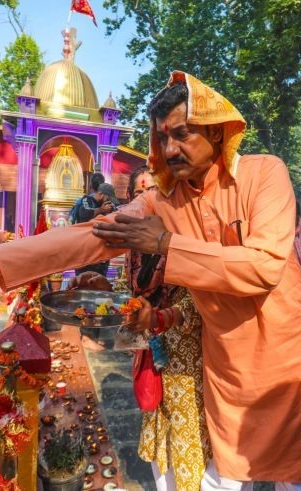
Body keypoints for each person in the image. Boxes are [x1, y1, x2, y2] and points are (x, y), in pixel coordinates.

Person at [0, 71, 301, 488]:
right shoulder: (163, 201)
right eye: (163, 138)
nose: (170, 149)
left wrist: (168, 245)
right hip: (228, 375)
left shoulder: (264, 172)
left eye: (183, 134)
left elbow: (263, 267)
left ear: (216, 132)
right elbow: (89, 237)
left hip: (292, 371)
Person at [73, 166, 211, 490]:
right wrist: (104, 290)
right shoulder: (134, 250)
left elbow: (200, 299)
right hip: (150, 356)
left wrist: (162, 318)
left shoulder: (185, 239)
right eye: (139, 194)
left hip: (187, 365)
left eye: (155, 192)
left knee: (189, 450)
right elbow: (127, 293)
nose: (147, 200)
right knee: (158, 447)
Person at [74, 180, 119, 351]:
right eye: (108, 199)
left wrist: (110, 210)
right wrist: (101, 211)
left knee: (100, 296)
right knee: (86, 295)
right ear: (101, 194)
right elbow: (83, 215)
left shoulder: (107, 206)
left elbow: (116, 215)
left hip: (101, 258)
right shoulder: (85, 201)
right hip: (86, 258)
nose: (109, 204)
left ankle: (97, 334)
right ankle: (86, 335)